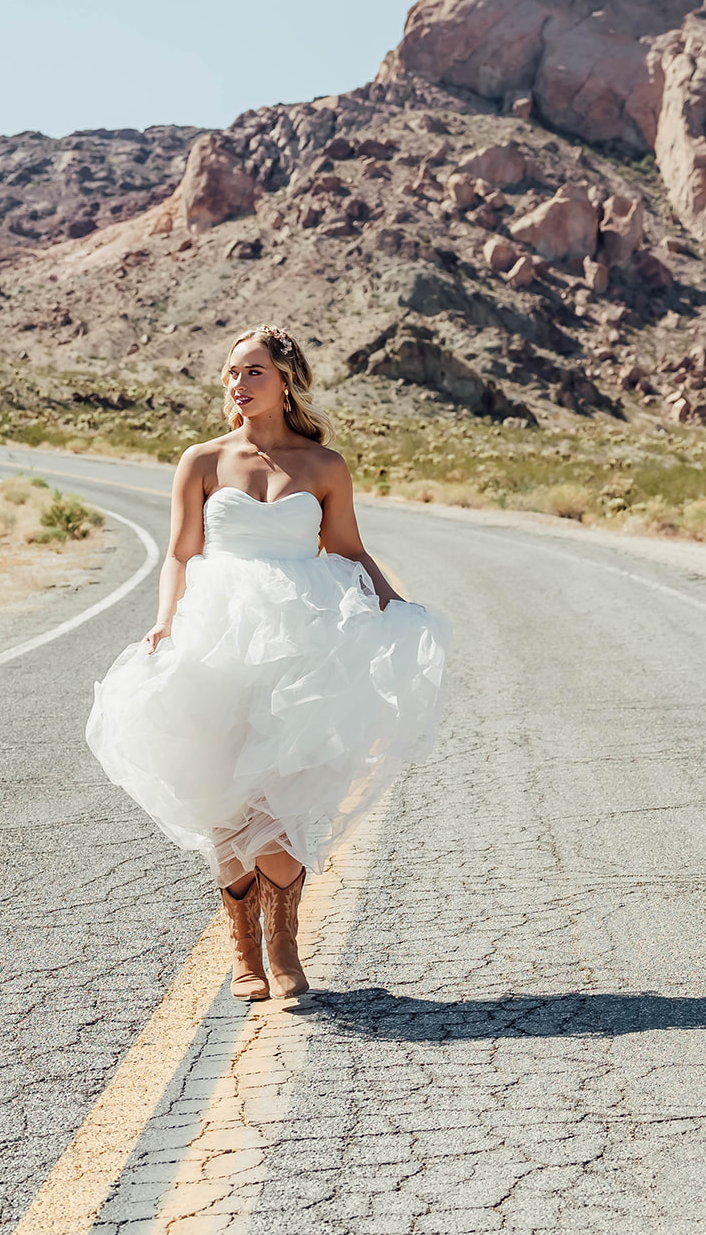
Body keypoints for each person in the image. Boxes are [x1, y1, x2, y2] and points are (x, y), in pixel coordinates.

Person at [86, 325, 450, 1000]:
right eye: (231, 372)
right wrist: (166, 619)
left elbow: (347, 552)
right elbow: (179, 553)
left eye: (253, 371)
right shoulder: (201, 460)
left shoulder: (322, 465)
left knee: (278, 796)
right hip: (215, 635)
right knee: (225, 799)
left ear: (285, 379)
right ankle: (243, 953)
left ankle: (283, 945)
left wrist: (395, 605)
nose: (238, 383)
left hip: (302, 642)